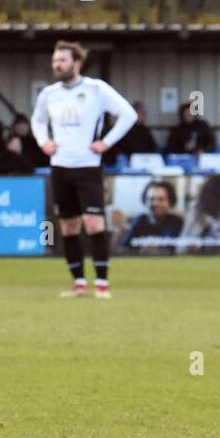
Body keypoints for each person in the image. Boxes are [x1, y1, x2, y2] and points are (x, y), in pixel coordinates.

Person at [31, 40, 137, 299]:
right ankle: (78, 282)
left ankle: (102, 283)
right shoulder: (49, 94)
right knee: (68, 226)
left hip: (88, 166)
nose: (57, 65)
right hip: (60, 166)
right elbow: (38, 121)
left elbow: (128, 115)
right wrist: (44, 142)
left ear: (76, 63)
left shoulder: (96, 89)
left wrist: (106, 143)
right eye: (55, 61)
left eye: (63, 60)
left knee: (93, 222)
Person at [121, 179, 183, 254]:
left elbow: (172, 249)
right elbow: (124, 248)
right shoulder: (139, 220)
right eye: (151, 199)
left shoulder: (176, 222)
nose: (155, 203)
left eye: (161, 199)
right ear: (145, 201)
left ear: (170, 202)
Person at [105, 100, 156, 165]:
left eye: (143, 113)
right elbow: (117, 149)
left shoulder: (146, 131)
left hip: (145, 162)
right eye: (140, 112)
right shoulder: (123, 128)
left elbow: (153, 149)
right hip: (127, 163)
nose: (143, 115)